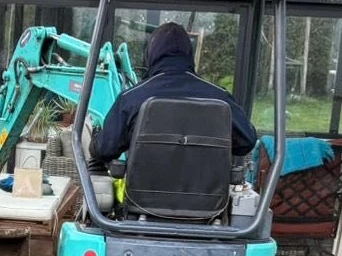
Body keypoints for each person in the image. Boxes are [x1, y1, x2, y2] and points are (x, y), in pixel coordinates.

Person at [88, 22, 259, 170]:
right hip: (209, 204)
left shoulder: (132, 99)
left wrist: (96, 139)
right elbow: (247, 141)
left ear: (151, 55)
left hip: (143, 202)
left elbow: (104, 149)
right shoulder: (220, 98)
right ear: (189, 54)